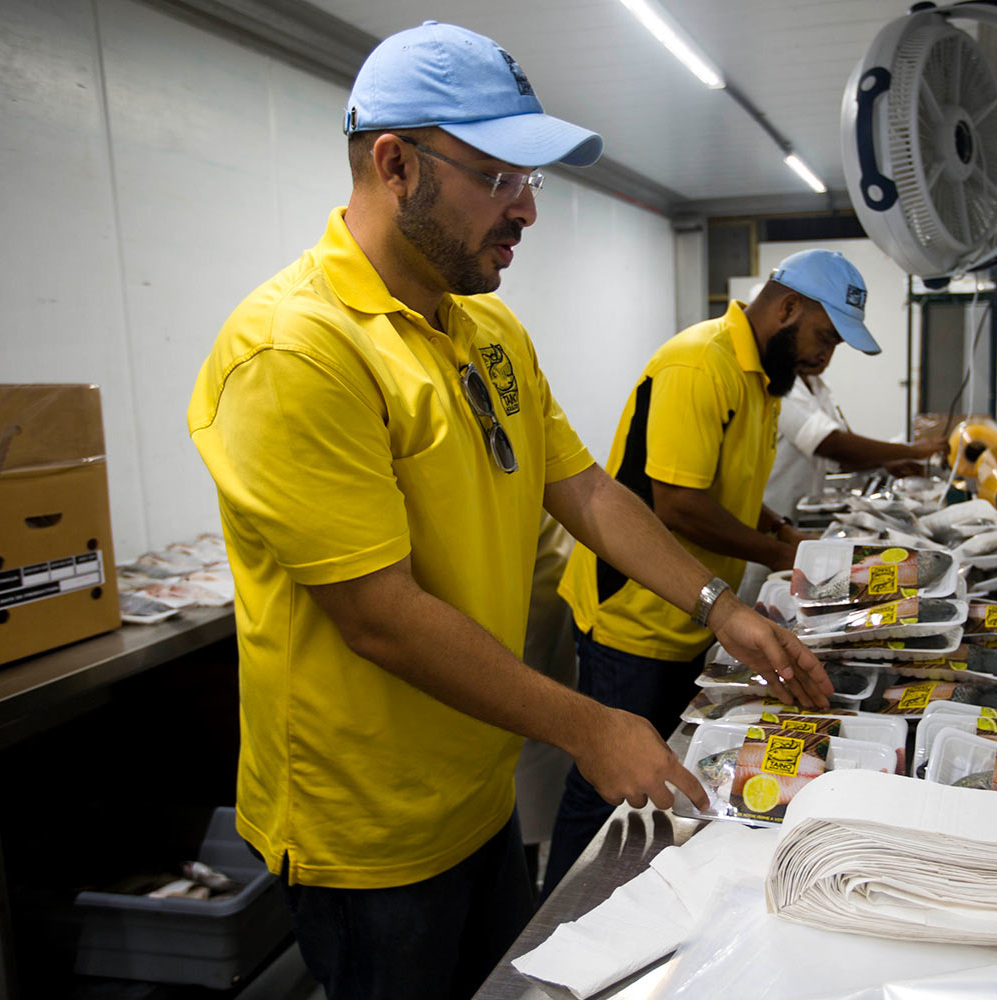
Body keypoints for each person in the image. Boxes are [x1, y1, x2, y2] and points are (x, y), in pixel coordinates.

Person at [185, 22, 829, 1000]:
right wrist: (590, 726)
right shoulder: (297, 350)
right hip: (373, 836)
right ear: (396, 165)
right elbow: (380, 616)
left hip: (479, 794)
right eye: (500, 178)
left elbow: (584, 490)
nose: (528, 208)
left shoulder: (486, 327)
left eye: (534, 180)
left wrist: (719, 605)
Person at [544, 249, 881, 894]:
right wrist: (780, 556)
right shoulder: (700, 364)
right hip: (634, 619)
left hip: (694, 608)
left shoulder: (763, 379)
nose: (825, 358)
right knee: (605, 785)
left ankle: (635, 895)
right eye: (824, 337)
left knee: (661, 774)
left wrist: (777, 526)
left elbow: (724, 483)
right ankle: (556, 924)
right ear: (787, 308)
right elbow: (679, 504)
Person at [739, 359, 946, 602]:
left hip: (795, 523)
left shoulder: (818, 387)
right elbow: (830, 444)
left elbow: (842, 458)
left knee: (794, 600)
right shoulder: (782, 387)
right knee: (760, 600)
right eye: (823, 338)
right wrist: (910, 450)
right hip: (763, 522)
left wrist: (886, 463)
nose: (826, 354)